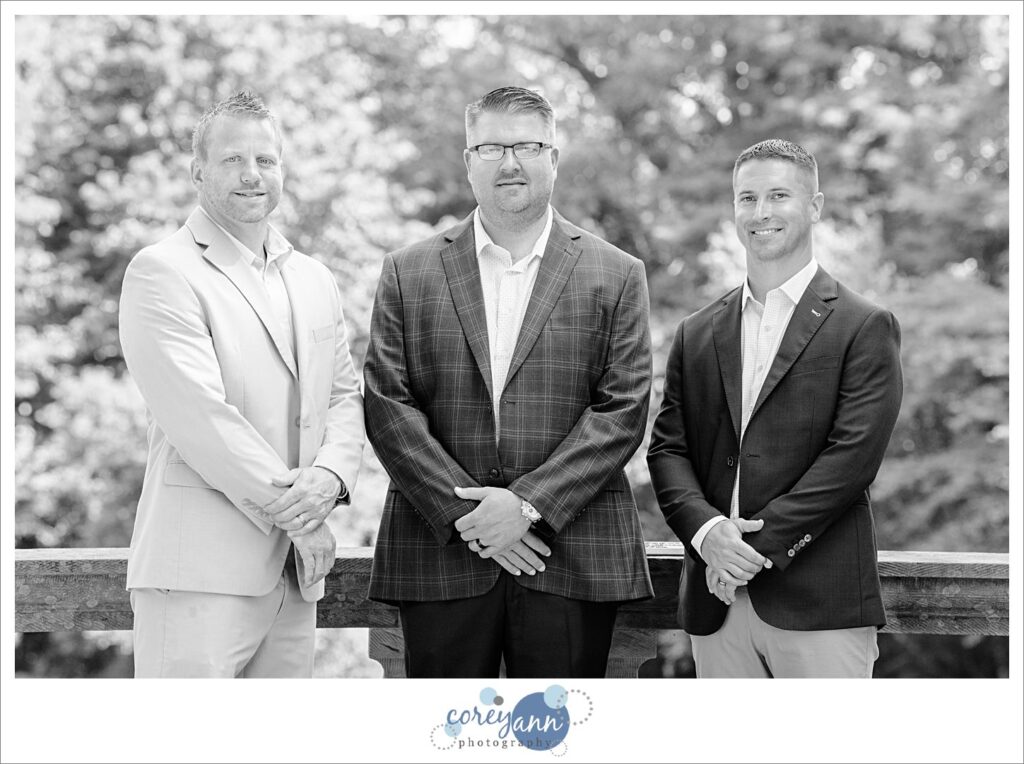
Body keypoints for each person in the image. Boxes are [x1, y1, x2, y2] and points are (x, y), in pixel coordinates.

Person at [364, 86, 653, 678]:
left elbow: (622, 410)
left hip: (570, 551)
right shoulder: (407, 270)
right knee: (446, 740)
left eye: (526, 145)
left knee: (559, 742)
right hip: (440, 550)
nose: (510, 162)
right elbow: (387, 402)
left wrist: (526, 507)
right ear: (468, 161)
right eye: (491, 147)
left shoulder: (617, 273)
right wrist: (473, 518)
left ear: (553, 156)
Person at [118, 90, 365, 677]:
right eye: (233, 160)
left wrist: (330, 478)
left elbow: (343, 398)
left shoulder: (315, 278)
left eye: (266, 160)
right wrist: (302, 518)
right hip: (197, 576)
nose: (252, 175)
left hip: (295, 579)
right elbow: (203, 420)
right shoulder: (162, 271)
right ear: (199, 171)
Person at [647, 138, 903, 678]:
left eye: (779, 196)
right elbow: (668, 449)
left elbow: (852, 460)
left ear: (814, 206)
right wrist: (706, 533)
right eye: (747, 198)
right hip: (714, 602)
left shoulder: (863, 325)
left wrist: (748, 550)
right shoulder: (696, 332)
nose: (760, 213)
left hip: (818, 602)